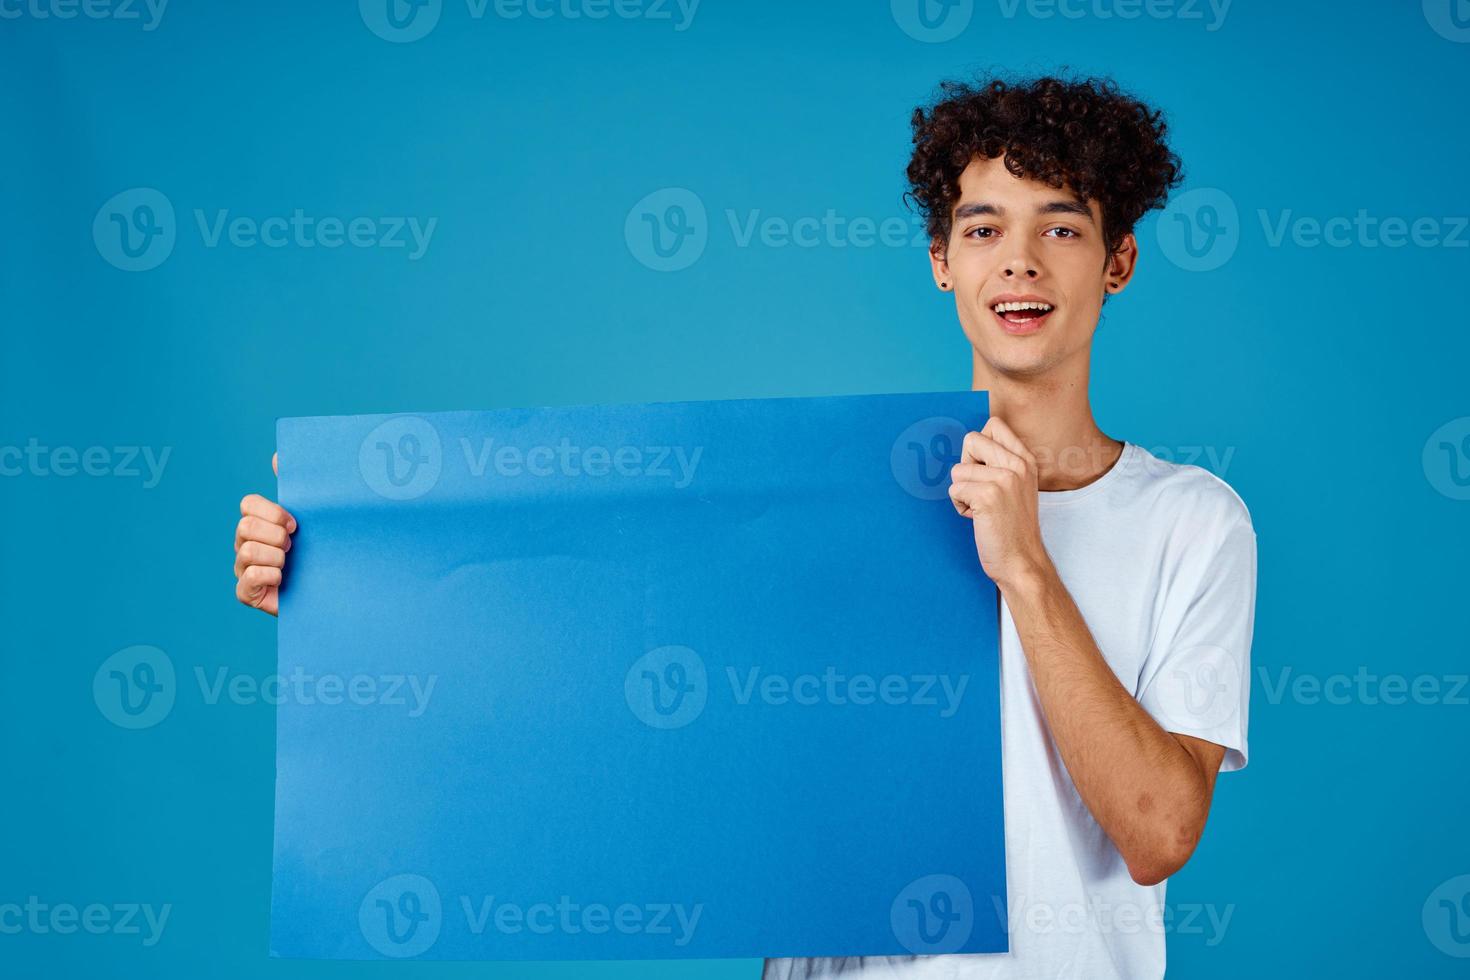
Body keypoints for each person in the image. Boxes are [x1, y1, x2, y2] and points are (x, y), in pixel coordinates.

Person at [233, 73, 1256, 980]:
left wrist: (1026, 567)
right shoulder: (837, 493)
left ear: (1118, 259)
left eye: (1062, 227)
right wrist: (349, 577)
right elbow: (600, 654)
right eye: (984, 228)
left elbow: (1161, 830)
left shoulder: (1192, 520)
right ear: (942, 260)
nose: (1019, 263)